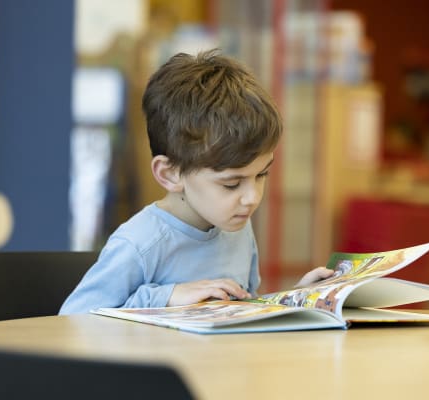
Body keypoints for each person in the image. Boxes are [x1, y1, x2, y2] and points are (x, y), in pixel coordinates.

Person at [60, 49, 333, 314]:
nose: (252, 197)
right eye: (231, 184)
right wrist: (166, 296)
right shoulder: (140, 244)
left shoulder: (237, 228)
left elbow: (242, 312)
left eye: (261, 175)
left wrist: (296, 299)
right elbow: (72, 318)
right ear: (170, 174)